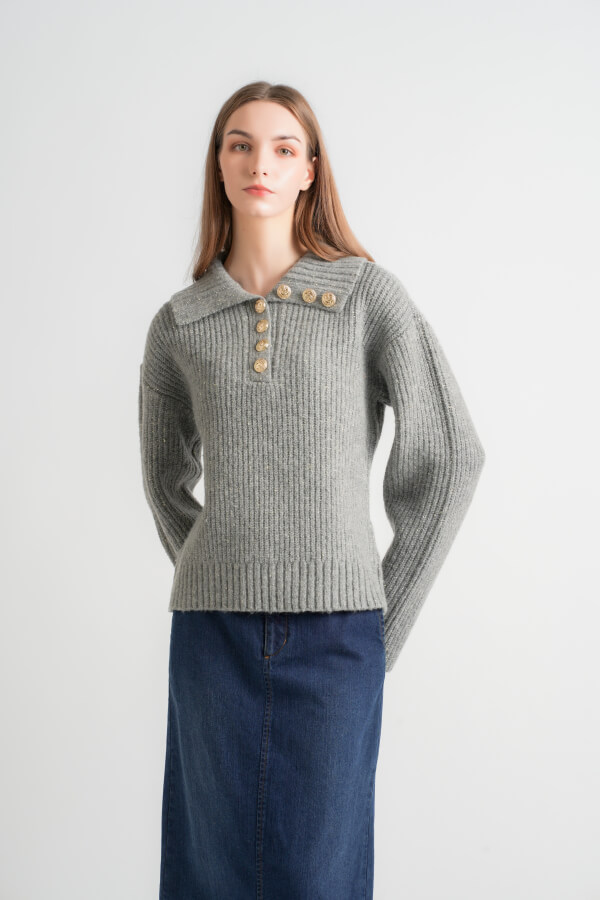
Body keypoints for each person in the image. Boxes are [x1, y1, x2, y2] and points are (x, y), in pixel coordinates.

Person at [138, 80, 485, 900]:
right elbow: (162, 479)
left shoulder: (366, 298)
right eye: (240, 145)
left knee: (319, 877)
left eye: (283, 148)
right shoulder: (180, 323)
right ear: (218, 166)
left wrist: (380, 624)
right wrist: (222, 568)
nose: (260, 163)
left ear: (309, 171)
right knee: (209, 873)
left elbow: (451, 458)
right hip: (210, 642)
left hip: (339, 640)